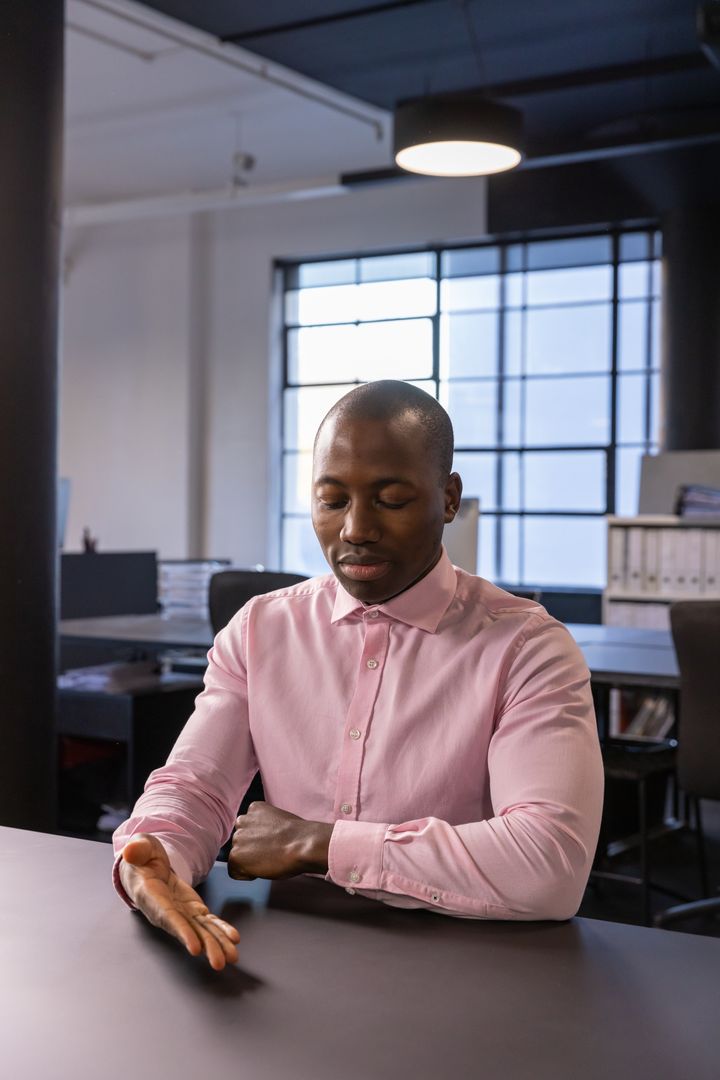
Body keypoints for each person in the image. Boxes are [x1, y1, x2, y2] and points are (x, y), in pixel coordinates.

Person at [114, 380, 604, 970]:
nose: (355, 530)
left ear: (448, 499)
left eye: (391, 500)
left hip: (466, 962)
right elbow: (195, 788)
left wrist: (316, 843)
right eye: (332, 500)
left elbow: (548, 864)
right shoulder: (261, 629)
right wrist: (156, 856)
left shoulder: (527, 647)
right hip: (293, 953)